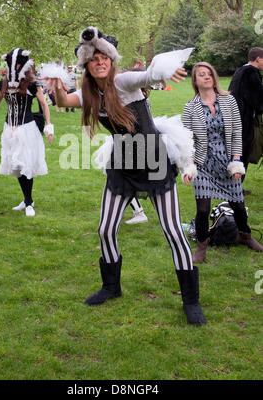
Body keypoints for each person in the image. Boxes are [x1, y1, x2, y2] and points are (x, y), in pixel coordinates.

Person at [41, 26, 206, 326]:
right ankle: (111, 286)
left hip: (153, 160)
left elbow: (148, 77)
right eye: (94, 59)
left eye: (104, 57)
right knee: (105, 229)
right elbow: (64, 103)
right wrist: (57, 86)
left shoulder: (124, 81)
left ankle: (191, 300)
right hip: (122, 162)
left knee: (173, 232)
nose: (100, 62)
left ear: (111, 60)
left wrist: (163, 70)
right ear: (87, 65)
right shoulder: (90, 92)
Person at [182, 61, 263, 262]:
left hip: (227, 161)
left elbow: (237, 133)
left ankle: (245, 235)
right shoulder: (190, 107)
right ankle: (201, 246)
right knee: (202, 209)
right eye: (201, 74)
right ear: (195, 81)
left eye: (209, 73)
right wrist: (189, 166)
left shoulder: (229, 101)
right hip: (203, 163)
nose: (207, 76)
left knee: (237, 204)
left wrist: (236, 161)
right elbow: (186, 140)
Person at [0, 48, 54, 217]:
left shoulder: (32, 83)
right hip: (9, 130)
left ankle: (28, 203)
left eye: (19, 64)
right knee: (17, 166)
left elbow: (44, 104)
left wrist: (49, 125)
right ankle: (28, 200)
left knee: (24, 165)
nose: (16, 67)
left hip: (26, 129)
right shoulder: (3, 83)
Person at [228, 47, 263, 186]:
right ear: (258, 59)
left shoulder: (241, 70)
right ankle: (236, 188)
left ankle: (232, 186)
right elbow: (257, 100)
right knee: (242, 153)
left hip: (234, 117)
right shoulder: (252, 73)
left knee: (235, 153)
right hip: (244, 121)